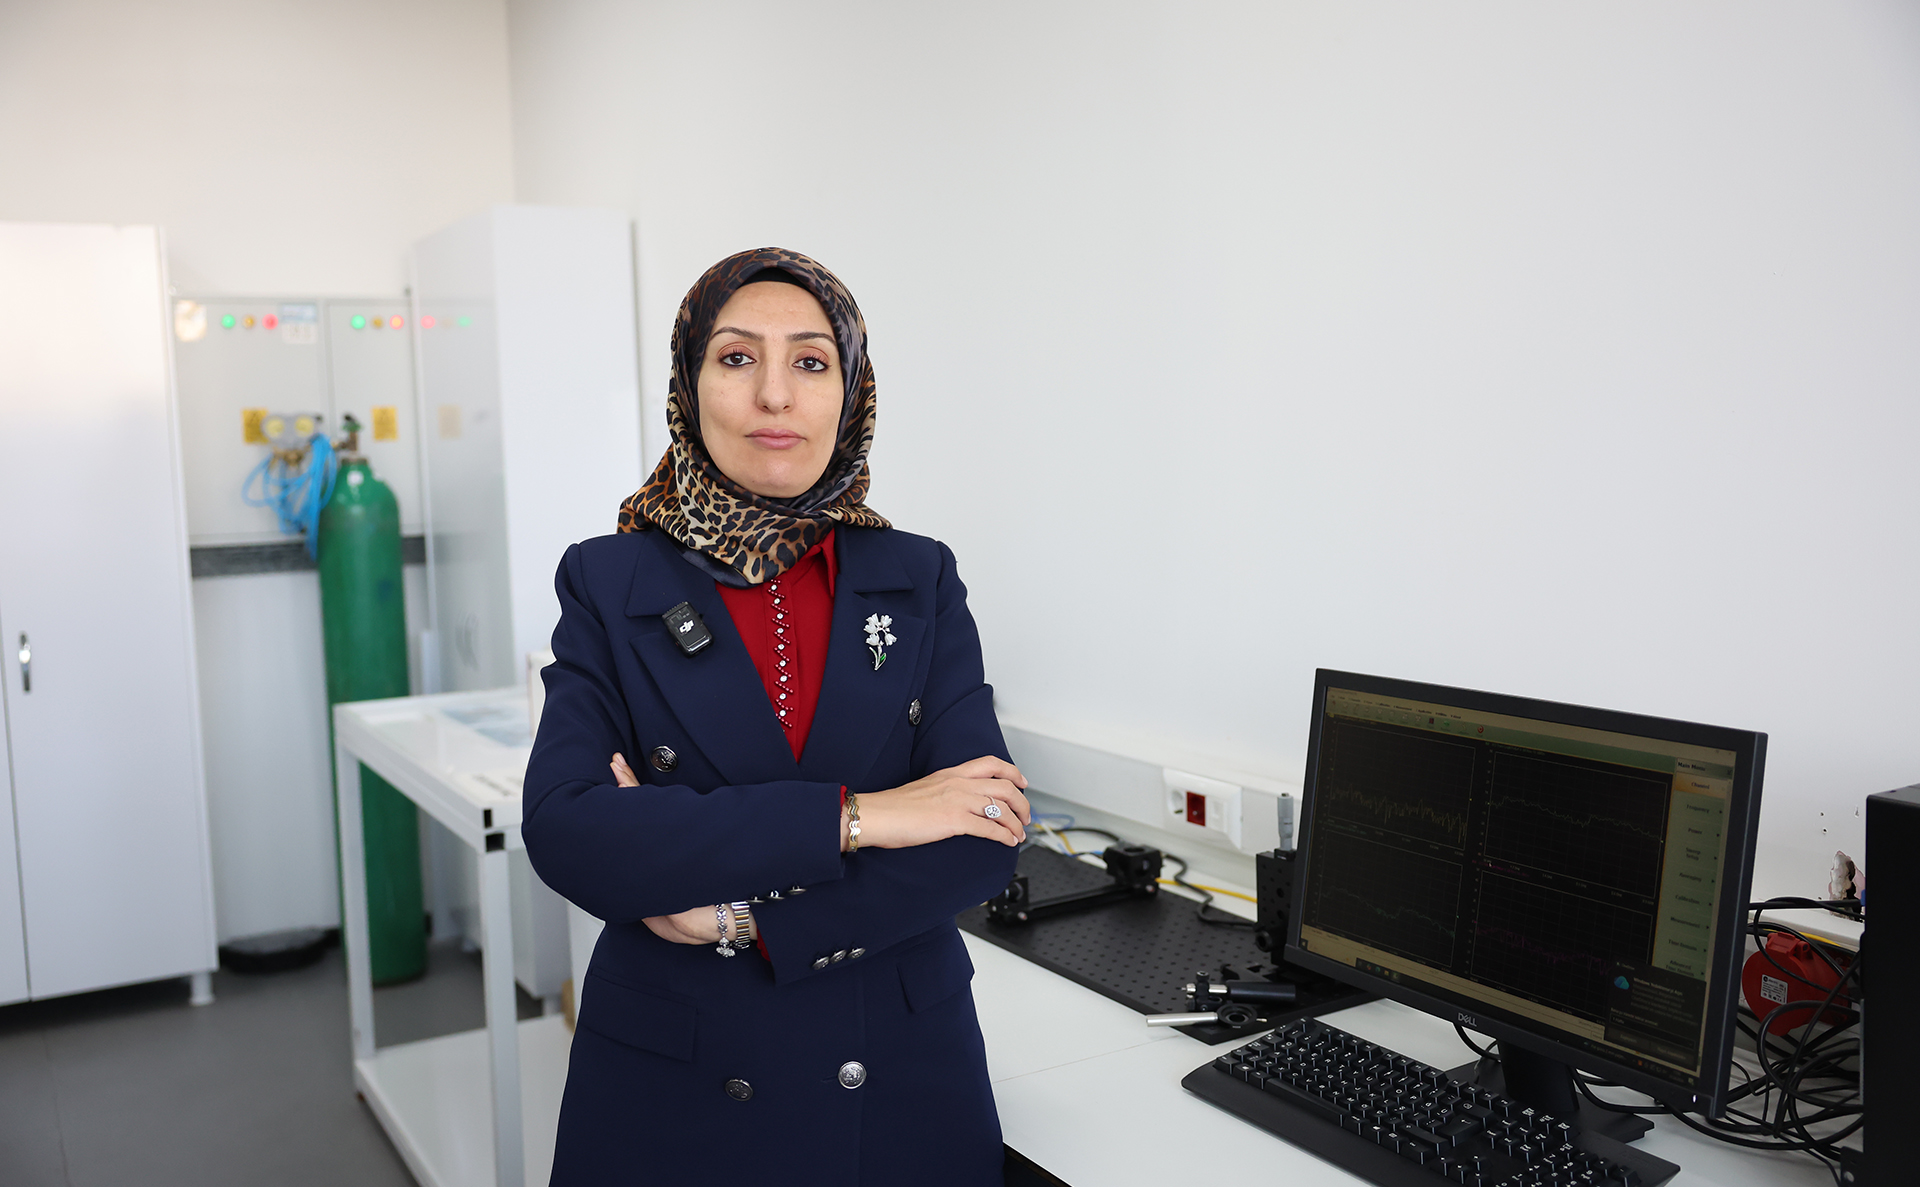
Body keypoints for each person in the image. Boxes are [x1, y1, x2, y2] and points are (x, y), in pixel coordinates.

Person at [523, 246, 1031, 1185]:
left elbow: (985, 833)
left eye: (809, 360)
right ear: (689, 385)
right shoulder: (607, 576)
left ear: (851, 391)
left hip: (898, 1064)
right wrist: (867, 816)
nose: (774, 394)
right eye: (735, 357)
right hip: (679, 1075)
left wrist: (743, 921)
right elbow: (570, 831)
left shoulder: (919, 575)